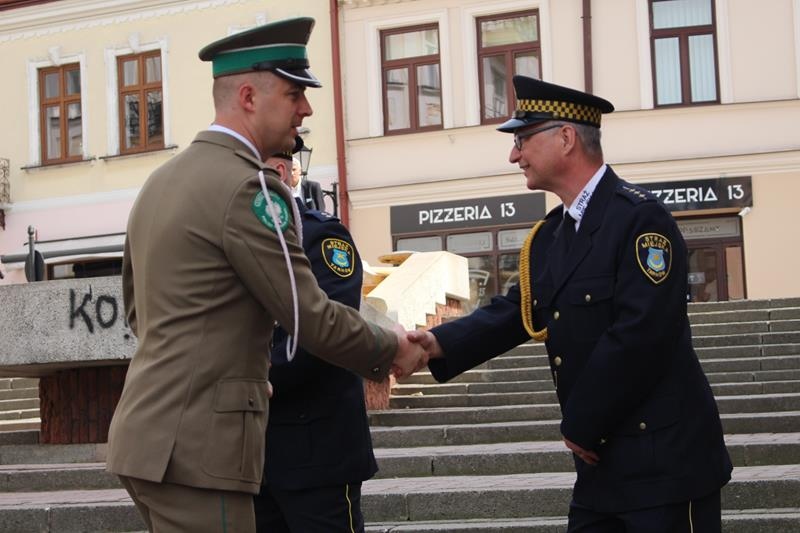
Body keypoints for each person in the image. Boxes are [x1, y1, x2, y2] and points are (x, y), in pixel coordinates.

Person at [106, 17, 426, 533]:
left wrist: (239, 372)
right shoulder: (247, 188)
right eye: (294, 93)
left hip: (146, 437)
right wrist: (392, 347)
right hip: (202, 449)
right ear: (249, 97)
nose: (307, 109)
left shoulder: (162, 181)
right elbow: (309, 317)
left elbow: (139, 310)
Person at [409, 76, 732, 532]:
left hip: (666, 465)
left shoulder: (640, 218)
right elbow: (518, 310)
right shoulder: (551, 234)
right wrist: (436, 344)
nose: (514, 155)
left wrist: (581, 423)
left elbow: (642, 333)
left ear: (565, 138)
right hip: (601, 467)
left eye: (522, 140)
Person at [253, 147, 375, 532]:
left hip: (318, 453)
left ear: (278, 173)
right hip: (255, 456)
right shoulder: (242, 240)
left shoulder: (321, 236)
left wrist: (249, 378)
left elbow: (328, 332)